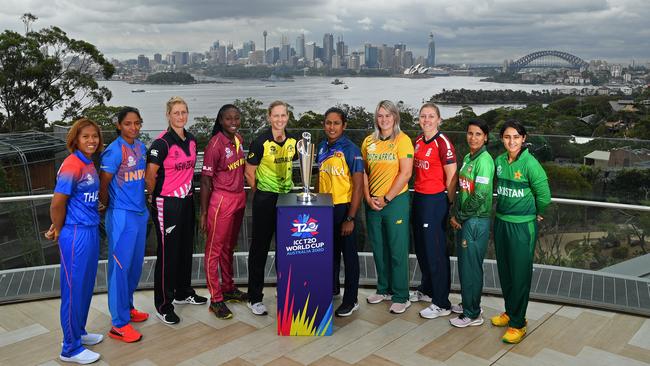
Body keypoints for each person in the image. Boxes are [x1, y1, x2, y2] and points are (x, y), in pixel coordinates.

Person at [145, 96, 207, 325]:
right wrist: (154, 195)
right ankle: (163, 304)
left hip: (187, 200)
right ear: (168, 115)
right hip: (167, 203)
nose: (180, 116)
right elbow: (150, 175)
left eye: (184, 112)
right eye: (176, 113)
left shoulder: (191, 139)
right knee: (167, 254)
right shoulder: (161, 143)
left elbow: (189, 171)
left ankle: (183, 291)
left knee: (184, 249)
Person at [46, 118, 104, 364]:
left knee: (85, 286)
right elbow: (57, 203)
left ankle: (78, 332)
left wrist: (94, 206)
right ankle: (69, 348)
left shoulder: (88, 163)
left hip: (89, 229)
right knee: (73, 290)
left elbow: (81, 197)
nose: (91, 140)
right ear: (75, 140)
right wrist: (58, 229)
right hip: (76, 234)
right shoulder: (72, 164)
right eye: (85, 137)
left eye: (94, 136)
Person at [491, 119, 551, 344]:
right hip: (501, 223)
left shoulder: (530, 164)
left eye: (516, 137)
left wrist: (538, 212)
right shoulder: (499, 161)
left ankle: (519, 323)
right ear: (502, 139)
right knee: (505, 271)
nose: (511, 141)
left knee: (520, 274)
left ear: (523, 139)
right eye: (507, 137)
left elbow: (544, 195)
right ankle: (510, 311)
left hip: (522, 226)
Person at [99, 107, 149, 343]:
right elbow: (104, 183)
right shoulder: (113, 151)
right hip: (121, 215)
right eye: (128, 123)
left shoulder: (140, 147)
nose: (134, 127)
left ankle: (128, 308)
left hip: (139, 213)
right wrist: (105, 205)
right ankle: (118, 324)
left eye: (137, 123)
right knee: (119, 268)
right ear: (119, 125)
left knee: (134, 266)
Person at [244, 100, 298, 315]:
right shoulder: (260, 141)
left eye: (283, 115)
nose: (279, 119)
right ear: (269, 117)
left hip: (287, 198)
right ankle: (254, 297)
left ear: (287, 117)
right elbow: (249, 172)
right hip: (265, 199)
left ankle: (283, 288)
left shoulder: (294, 141)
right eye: (275, 116)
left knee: (286, 247)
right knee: (260, 248)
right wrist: (262, 190)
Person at [362, 100, 413, 314]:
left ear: (395, 118)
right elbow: (363, 172)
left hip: (395, 202)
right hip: (372, 202)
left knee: (397, 249)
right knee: (379, 248)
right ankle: (383, 289)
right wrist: (368, 197)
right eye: (380, 116)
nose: (384, 120)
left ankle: (401, 295)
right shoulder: (368, 142)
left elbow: (406, 173)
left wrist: (387, 198)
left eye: (388, 116)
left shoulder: (403, 140)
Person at [199, 104, 248, 320]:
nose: (233, 122)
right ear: (220, 120)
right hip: (221, 201)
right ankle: (216, 299)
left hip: (239, 198)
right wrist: (203, 213)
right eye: (229, 119)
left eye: (236, 118)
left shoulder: (238, 139)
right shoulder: (215, 144)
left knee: (229, 247)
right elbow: (206, 181)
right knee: (214, 251)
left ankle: (228, 288)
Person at [411, 102, 458, 319]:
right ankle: (427, 289)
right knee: (421, 247)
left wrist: (446, 204)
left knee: (436, 251)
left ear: (439, 119)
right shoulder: (419, 141)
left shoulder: (443, 143)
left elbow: (452, 177)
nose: (426, 120)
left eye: (431, 116)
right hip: (419, 197)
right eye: (423, 116)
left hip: (435, 201)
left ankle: (442, 302)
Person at [316, 107, 364, 317]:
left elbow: (359, 186)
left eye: (336, 123)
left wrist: (350, 217)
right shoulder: (321, 147)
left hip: (345, 208)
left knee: (349, 257)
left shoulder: (351, 149)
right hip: (325, 208)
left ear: (344, 126)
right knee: (330, 253)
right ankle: (332, 288)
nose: (332, 127)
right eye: (328, 122)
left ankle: (351, 300)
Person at [448, 119, 494, 328]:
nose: (473, 138)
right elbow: (463, 189)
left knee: (471, 267)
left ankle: (472, 314)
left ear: (485, 137)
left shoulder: (485, 161)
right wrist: (458, 213)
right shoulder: (468, 157)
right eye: (470, 133)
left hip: (476, 221)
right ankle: (470, 303)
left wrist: (461, 216)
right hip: (467, 219)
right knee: (467, 266)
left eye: (478, 134)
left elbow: (481, 195)